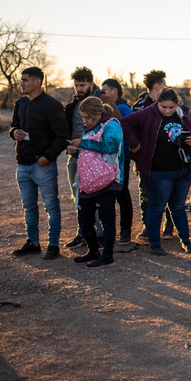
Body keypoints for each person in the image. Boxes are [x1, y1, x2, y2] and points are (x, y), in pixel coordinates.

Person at [121, 89, 191, 255]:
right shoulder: (147, 113)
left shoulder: (182, 115)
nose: (168, 110)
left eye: (171, 107)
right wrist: (134, 143)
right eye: (164, 107)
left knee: (178, 206)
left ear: (176, 105)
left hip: (182, 171)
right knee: (156, 207)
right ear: (158, 103)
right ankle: (155, 244)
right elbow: (124, 123)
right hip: (158, 171)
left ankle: (186, 241)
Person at [9, 66, 69, 259]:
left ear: (37, 82)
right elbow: (14, 125)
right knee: (29, 206)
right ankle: (33, 242)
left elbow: (62, 136)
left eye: (25, 80)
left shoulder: (52, 105)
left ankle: (53, 246)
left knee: (51, 205)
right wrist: (13, 132)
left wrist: (47, 157)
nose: (21, 83)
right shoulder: (21, 103)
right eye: (21, 80)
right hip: (23, 164)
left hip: (42, 165)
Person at [69, 97, 125, 269]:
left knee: (107, 219)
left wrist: (83, 143)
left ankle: (107, 256)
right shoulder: (89, 128)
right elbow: (90, 153)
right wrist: (76, 150)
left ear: (98, 113)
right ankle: (93, 251)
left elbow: (110, 147)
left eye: (87, 117)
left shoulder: (112, 125)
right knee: (84, 218)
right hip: (89, 182)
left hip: (108, 180)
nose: (84, 121)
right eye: (83, 117)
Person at [130, 70, 170, 240]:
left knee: (168, 192)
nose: (166, 86)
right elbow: (132, 130)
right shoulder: (139, 106)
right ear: (157, 86)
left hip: (168, 156)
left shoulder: (171, 104)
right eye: (164, 84)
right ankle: (149, 227)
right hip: (146, 157)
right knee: (145, 193)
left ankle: (169, 226)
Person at [63, 66, 99, 249]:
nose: (79, 89)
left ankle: (98, 234)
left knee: (96, 197)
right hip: (75, 155)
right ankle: (82, 233)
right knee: (77, 196)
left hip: (95, 157)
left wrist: (83, 139)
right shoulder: (74, 104)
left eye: (83, 85)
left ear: (91, 83)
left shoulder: (100, 101)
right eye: (76, 85)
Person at [100, 78, 134, 245]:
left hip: (121, 158)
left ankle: (125, 231)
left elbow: (129, 130)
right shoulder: (101, 108)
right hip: (105, 158)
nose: (102, 93)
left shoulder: (123, 108)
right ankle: (109, 231)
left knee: (121, 193)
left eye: (104, 90)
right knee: (106, 196)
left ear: (114, 91)